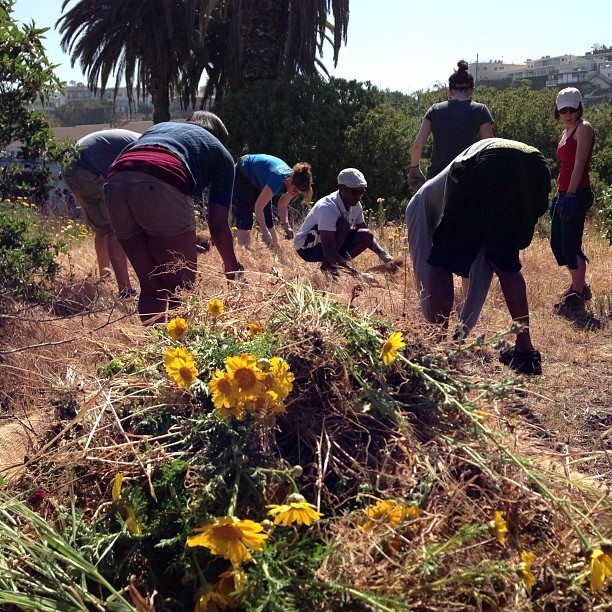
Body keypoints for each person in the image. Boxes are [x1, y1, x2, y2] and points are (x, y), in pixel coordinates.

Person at [414, 138, 551, 375]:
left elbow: (433, 254)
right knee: (505, 261)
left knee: (441, 259)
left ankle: (436, 348)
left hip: (492, 162)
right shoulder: (448, 176)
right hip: (537, 166)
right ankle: (525, 351)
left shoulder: (426, 195)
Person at [104, 112, 242, 324]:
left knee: (151, 287)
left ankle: (154, 352)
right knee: (182, 289)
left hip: (115, 184)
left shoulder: (160, 128)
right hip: (161, 178)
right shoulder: (220, 152)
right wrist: (232, 268)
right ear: (218, 135)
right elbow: (217, 223)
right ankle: (178, 353)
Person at [405, 165, 493, 336]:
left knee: (439, 262)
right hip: (472, 181)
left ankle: (438, 330)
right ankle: (447, 329)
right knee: (462, 259)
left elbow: (423, 266)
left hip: (456, 185)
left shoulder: (419, 204)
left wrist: (414, 168)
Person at [62, 129, 139, 297]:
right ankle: (125, 290)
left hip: (73, 167)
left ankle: (104, 279)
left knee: (103, 228)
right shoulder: (143, 148)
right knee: (117, 227)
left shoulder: (138, 141)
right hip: (85, 169)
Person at [408, 59, 494, 191]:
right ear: (471, 90)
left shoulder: (435, 110)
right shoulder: (480, 110)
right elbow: (489, 147)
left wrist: (414, 169)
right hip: (466, 179)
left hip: (436, 179)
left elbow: (417, 145)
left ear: (450, 90)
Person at [293, 168, 395, 276]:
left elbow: (366, 236)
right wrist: (357, 274)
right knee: (343, 225)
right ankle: (330, 267)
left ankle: (330, 266)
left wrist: (385, 256)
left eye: (361, 192)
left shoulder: (355, 204)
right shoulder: (327, 208)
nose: (358, 196)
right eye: (354, 192)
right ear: (341, 188)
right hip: (306, 248)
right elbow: (328, 251)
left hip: (327, 244)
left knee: (366, 234)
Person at [549, 87, 595, 317]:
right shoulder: (567, 130)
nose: (567, 113)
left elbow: (579, 165)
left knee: (570, 244)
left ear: (579, 107)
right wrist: (560, 194)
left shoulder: (583, 129)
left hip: (576, 193)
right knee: (557, 242)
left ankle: (578, 293)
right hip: (564, 192)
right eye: (563, 110)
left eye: (572, 109)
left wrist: (570, 195)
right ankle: (579, 285)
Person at [233, 155, 313, 248]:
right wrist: (264, 231)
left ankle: (272, 248)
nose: (295, 193)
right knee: (245, 215)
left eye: (298, 192)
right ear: (290, 180)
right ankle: (244, 254)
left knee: (267, 216)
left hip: (259, 177)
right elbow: (258, 207)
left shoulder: (292, 183)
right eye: (295, 190)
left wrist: (286, 226)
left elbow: (282, 206)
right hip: (243, 171)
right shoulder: (277, 180)